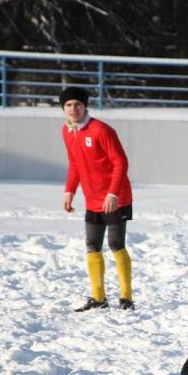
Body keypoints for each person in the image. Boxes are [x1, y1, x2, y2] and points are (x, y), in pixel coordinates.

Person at [59, 87, 135, 312]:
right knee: (92, 246)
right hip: (92, 199)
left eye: (78, 105)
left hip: (116, 197)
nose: (73, 109)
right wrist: (69, 190)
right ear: (63, 109)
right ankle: (98, 297)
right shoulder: (67, 131)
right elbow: (74, 163)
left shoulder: (101, 130)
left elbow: (121, 162)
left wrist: (113, 193)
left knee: (115, 244)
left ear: (85, 106)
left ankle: (126, 298)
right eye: (69, 105)